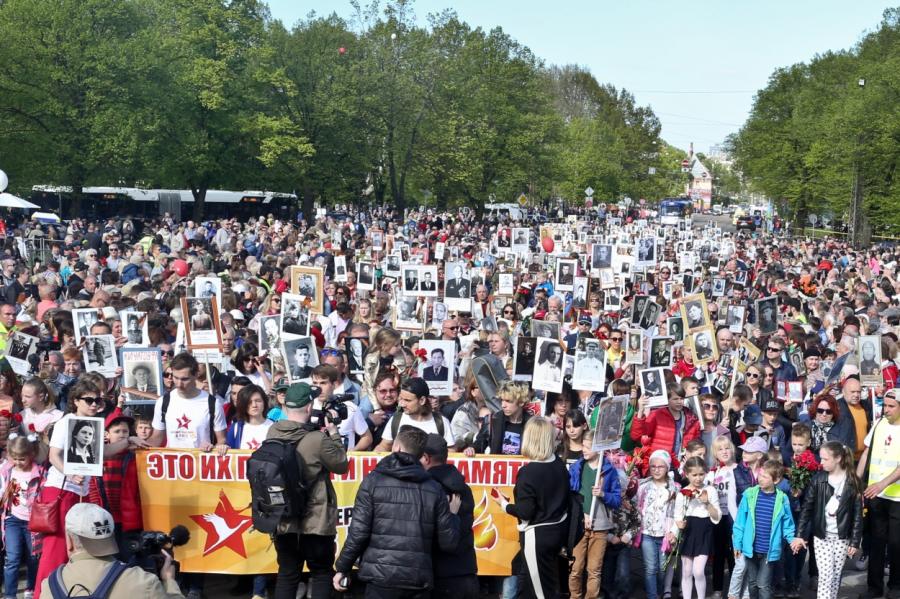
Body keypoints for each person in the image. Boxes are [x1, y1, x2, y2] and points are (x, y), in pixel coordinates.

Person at [333, 427, 461, 597]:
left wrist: (343, 568)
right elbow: (449, 542)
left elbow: (358, 532)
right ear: (421, 454)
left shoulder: (373, 481)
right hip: (417, 579)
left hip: (380, 576)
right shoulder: (434, 488)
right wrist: (453, 516)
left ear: (396, 448)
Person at [268, 382, 348, 599]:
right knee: (321, 573)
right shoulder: (317, 439)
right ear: (308, 406)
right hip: (315, 521)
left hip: (283, 519)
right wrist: (333, 432)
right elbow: (341, 464)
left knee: (287, 574)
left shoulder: (272, 431)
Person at [492, 417, 570, 598]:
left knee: (540, 592)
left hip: (537, 535)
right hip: (558, 531)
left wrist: (504, 505)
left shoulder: (528, 472)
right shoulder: (558, 464)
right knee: (548, 586)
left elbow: (526, 512)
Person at [39, 503, 184, 599]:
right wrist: (169, 581)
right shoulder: (143, 581)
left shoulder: (49, 586)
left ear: (70, 541)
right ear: (111, 537)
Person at [793, 441, 863, 599]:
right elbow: (807, 509)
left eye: (825, 459)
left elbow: (858, 514)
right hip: (821, 536)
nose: (821, 462)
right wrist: (800, 534)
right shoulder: (818, 480)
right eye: (821, 458)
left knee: (836, 575)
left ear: (838, 458)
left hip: (842, 537)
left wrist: (855, 541)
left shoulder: (853, 482)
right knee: (825, 576)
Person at [732, 460, 800, 599]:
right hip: (750, 548)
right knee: (752, 583)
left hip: (769, 550)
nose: (760, 479)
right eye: (760, 475)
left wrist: (792, 539)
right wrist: (737, 543)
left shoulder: (782, 499)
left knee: (763, 584)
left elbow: (788, 524)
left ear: (776, 480)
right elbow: (740, 522)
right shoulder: (749, 495)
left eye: (765, 477)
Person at [421, 434, 477, 599]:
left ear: (425, 458)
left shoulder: (428, 488)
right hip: (466, 571)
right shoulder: (463, 487)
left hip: (440, 575)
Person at [856, 388, 900, 599]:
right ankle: (874, 588)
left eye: (891, 406)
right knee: (875, 543)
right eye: (885, 405)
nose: (886, 410)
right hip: (875, 495)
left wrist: (882, 484)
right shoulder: (880, 424)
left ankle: (896, 586)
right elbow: (866, 452)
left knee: (896, 543)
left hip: (896, 497)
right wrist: (856, 481)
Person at [568, 431, 622, 599]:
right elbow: (571, 496)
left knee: (594, 570)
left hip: (601, 527)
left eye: (587, 446)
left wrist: (603, 495)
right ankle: (575, 596)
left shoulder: (608, 471)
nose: (583, 449)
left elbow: (617, 500)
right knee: (575, 568)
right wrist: (582, 515)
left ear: (598, 448)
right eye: (583, 445)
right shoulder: (577, 467)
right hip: (579, 525)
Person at [0, 435, 42, 599]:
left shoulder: (38, 472)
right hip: (13, 520)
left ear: (31, 455)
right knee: (12, 557)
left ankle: (30, 588)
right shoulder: (7, 471)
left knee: (33, 558)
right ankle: (10, 593)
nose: (18, 462)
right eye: (15, 458)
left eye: (22, 459)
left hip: (33, 521)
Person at [673, 456, 720, 599]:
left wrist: (706, 503)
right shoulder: (683, 492)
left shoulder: (710, 490)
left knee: (698, 571)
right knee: (687, 571)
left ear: (705, 473)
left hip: (704, 530)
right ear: (687, 474)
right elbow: (678, 514)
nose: (698, 478)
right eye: (694, 475)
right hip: (688, 530)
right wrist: (677, 528)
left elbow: (717, 517)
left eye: (701, 474)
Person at [637, 449, 679, 599]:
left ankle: (661, 591)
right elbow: (637, 507)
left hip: (664, 534)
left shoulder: (674, 489)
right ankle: (652, 595)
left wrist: (674, 532)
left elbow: (677, 514)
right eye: (653, 466)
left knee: (662, 568)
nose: (656, 469)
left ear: (667, 467)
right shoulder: (643, 486)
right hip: (647, 533)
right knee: (650, 568)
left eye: (660, 466)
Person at [375, 378, 454, 451]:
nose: (402, 404)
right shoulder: (396, 420)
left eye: (407, 400)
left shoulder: (441, 423)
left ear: (422, 400)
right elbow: (384, 446)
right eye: (401, 399)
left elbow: (451, 452)